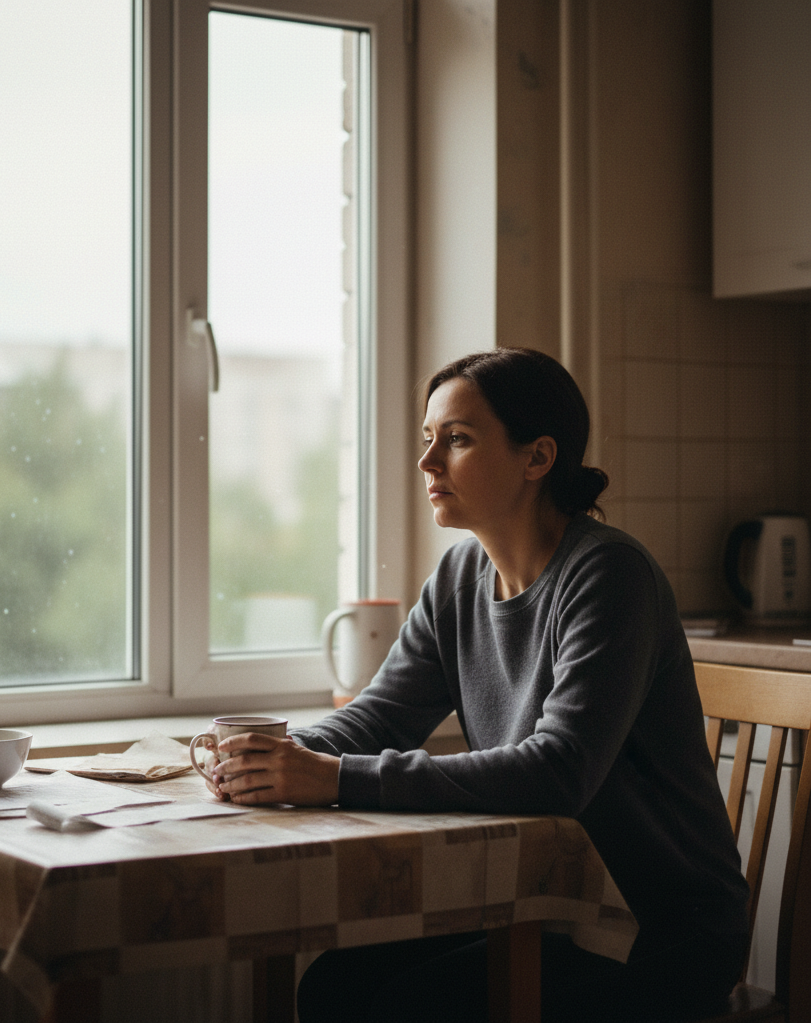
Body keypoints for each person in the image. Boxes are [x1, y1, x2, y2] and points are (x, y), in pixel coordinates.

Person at [207, 347, 749, 1021]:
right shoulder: (460, 576)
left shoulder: (610, 576)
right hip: (539, 899)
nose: (427, 461)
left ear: (537, 458)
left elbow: (559, 771)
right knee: (332, 986)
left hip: (659, 928)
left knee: (403, 1006)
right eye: (428, 438)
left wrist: (333, 777)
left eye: (457, 439)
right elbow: (381, 716)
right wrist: (273, 755)